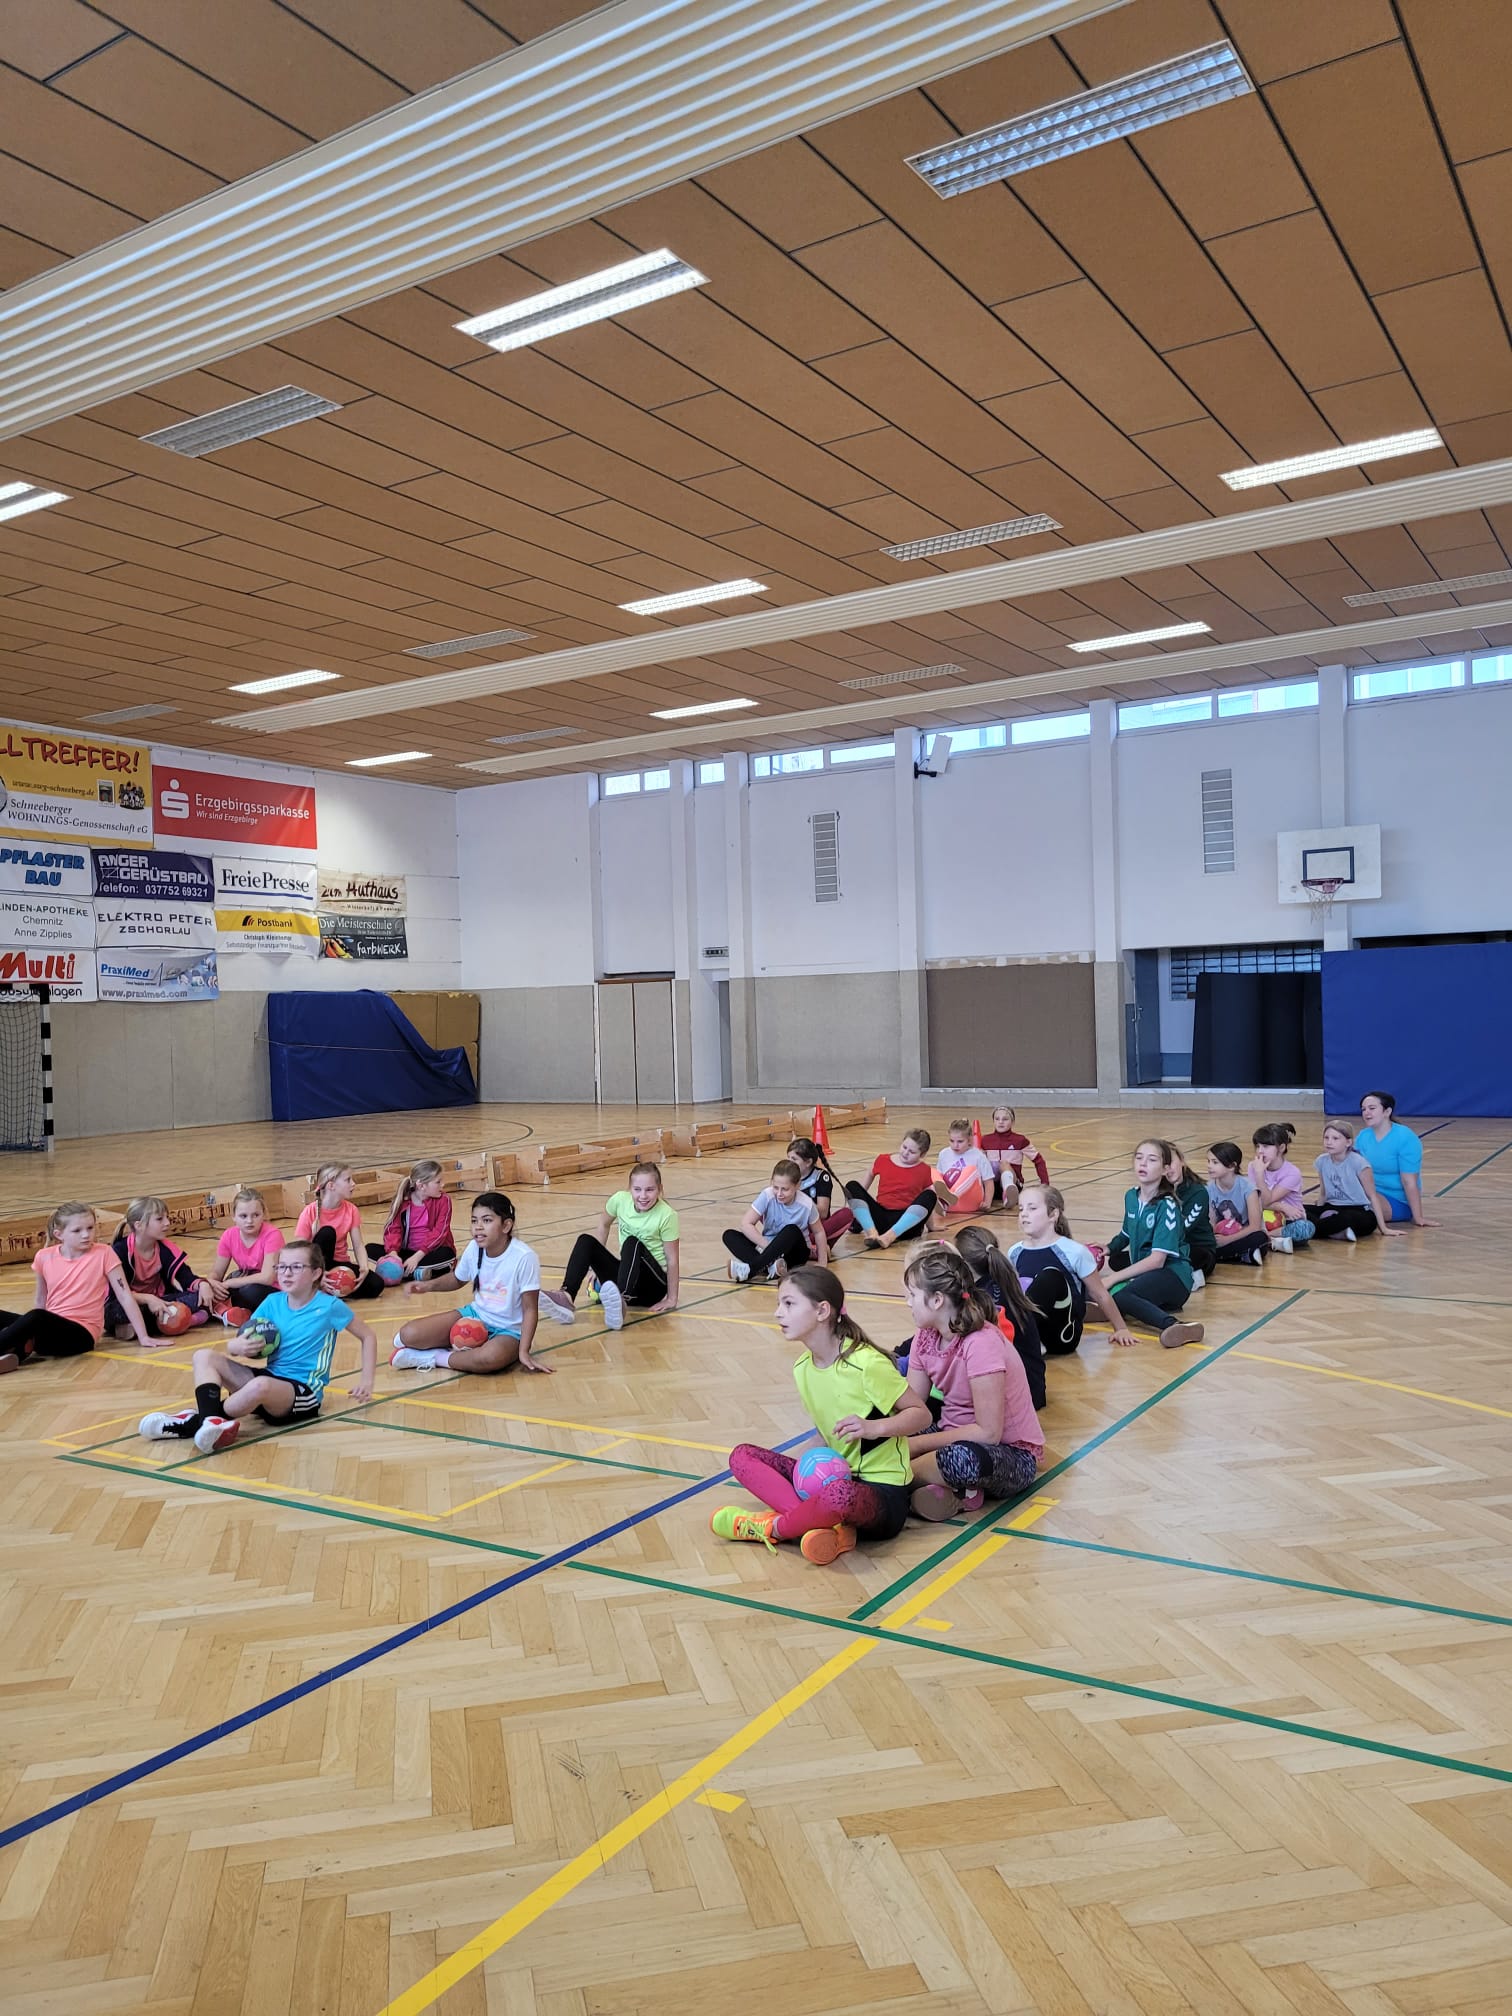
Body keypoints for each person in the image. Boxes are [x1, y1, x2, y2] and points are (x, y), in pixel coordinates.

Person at [710, 1263, 929, 1565]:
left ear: (822, 1310)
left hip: (881, 1493)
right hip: (828, 1480)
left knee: (839, 1495)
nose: (778, 1313)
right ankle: (824, 1528)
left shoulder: (866, 1363)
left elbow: (921, 1415)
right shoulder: (802, 1368)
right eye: (779, 1304)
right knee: (742, 1456)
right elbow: (825, 1431)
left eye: (789, 1304)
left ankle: (774, 1528)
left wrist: (872, 1428)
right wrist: (803, 1469)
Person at [138, 1239, 376, 1454]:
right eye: (281, 1266)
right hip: (268, 1379)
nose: (286, 1273)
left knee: (260, 1385)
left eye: (296, 1267)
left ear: (316, 1273)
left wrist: (366, 1381)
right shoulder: (273, 1301)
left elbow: (368, 1336)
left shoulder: (329, 1306)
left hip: (302, 1393)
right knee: (204, 1356)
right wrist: (238, 1346)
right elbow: (241, 1339)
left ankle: (191, 1422)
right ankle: (210, 1421)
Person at [901, 1244, 1043, 1521]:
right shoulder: (925, 1336)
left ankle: (896, 1479)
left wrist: (914, 1447)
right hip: (952, 1434)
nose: (908, 1303)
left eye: (913, 1295)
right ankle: (955, 1493)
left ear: (937, 1300)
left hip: (1007, 1453)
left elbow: (988, 1434)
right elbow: (912, 1408)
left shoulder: (981, 1342)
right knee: (884, 1440)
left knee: (962, 1459)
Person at [389, 1191, 555, 1375]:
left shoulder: (524, 1257)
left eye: (487, 1220)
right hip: (475, 1316)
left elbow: (530, 1309)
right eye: (474, 1221)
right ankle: (454, 1351)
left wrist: (524, 1351)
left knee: (490, 1358)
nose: (478, 1227)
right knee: (408, 1334)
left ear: (506, 1225)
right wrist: (428, 1286)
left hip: (509, 1331)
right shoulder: (474, 1247)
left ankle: (434, 1357)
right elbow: (457, 1279)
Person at [0, 1201, 151, 1372]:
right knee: (25, 1317)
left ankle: (16, 1348)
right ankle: (16, 1351)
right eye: (77, 1231)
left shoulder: (104, 1253)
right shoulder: (44, 1256)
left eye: (90, 1228)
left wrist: (143, 1337)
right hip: (52, 1329)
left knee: (36, 1317)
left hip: (81, 1336)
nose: (86, 1235)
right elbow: (41, 1299)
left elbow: (124, 1296)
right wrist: (32, 1331)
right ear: (59, 1234)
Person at [541, 1161, 679, 1329]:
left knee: (631, 1242)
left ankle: (620, 1300)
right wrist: (595, 1267)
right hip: (628, 1277)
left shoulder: (667, 1215)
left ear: (660, 1189)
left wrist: (671, 1298)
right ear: (629, 1189)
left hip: (652, 1287)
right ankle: (567, 1297)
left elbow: (672, 1259)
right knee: (585, 1240)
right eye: (637, 1189)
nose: (643, 1196)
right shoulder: (619, 1200)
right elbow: (603, 1224)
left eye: (650, 1190)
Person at [1100, 1140, 1204, 1348]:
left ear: (1165, 1169)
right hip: (1147, 1275)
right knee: (1094, 1286)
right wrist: (1109, 1248)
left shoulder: (1167, 1206)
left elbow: (1157, 1261)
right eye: (1139, 1158)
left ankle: (1176, 1326)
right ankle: (1102, 1306)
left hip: (1174, 1277)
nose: (1143, 1163)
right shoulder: (1131, 1196)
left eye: (1152, 1159)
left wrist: (1112, 1278)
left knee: (1122, 1294)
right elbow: (1126, 1232)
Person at [1009, 1184, 1133, 1352]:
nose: (1024, 1214)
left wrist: (1121, 1329)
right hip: (1029, 1329)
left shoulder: (1074, 1251)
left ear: (1053, 1214)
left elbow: (1099, 1293)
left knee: (1050, 1277)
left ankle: (1025, 1340)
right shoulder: (1015, 1252)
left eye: (1032, 1208)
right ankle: (1018, 1339)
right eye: (1021, 1209)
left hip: (1063, 1334)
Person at [955, 1223, 1046, 1409]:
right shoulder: (999, 1283)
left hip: (1019, 1395)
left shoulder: (985, 1299)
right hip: (1030, 1387)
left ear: (963, 1264)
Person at [107, 1195, 221, 1338]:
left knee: (204, 1295)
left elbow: (186, 1277)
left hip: (161, 1301)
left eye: (167, 1217)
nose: (167, 1223)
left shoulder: (165, 1248)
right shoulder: (120, 1251)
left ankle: (161, 1324)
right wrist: (148, 1299)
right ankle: (181, 1320)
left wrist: (203, 1285)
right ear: (139, 1225)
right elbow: (119, 1294)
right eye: (159, 1219)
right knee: (120, 1311)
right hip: (129, 1303)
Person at [723, 1159, 828, 1282]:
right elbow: (746, 1224)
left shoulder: (807, 1204)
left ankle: (750, 1270)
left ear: (797, 1185)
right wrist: (769, 1248)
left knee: (791, 1230)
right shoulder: (767, 1195)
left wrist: (822, 1262)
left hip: (794, 1253)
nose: (779, 1193)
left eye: (785, 1189)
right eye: (776, 1187)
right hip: (768, 1246)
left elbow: (819, 1232)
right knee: (729, 1235)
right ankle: (773, 1267)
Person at [295, 1163, 384, 1298]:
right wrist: (314, 1273)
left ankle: (331, 1288)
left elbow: (358, 1245)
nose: (353, 1183)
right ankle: (317, 1282)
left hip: (339, 1264)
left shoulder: (351, 1210)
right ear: (331, 1186)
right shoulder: (309, 1212)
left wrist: (364, 1267)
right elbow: (298, 1250)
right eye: (348, 1180)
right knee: (327, 1233)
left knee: (376, 1284)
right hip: (314, 1266)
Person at [843, 1128, 940, 1249]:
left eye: (912, 1152)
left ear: (922, 1154)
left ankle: (889, 1237)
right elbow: (863, 1187)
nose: (905, 1153)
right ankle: (872, 1233)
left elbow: (925, 1204)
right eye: (904, 1147)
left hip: (906, 1226)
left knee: (930, 1194)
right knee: (852, 1186)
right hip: (881, 1219)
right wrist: (854, 1210)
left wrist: (931, 1226)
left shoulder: (924, 1169)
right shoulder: (883, 1160)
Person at [1306, 1120, 1400, 1241]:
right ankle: (1335, 1232)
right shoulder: (1321, 1161)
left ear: (1348, 1142)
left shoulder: (1359, 1162)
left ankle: (1309, 1230)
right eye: (1326, 1138)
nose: (1329, 1142)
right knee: (1298, 1209)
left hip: (1358, 1211)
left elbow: (1372, 1197)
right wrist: (1318, 1211)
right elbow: (1323, 1194)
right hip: (1332, 1207)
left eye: (1335, 1138)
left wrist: (1384, 1228)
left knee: (1346, 1218)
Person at [1356, 1092, 1436, 1228]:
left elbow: (1409, 1181)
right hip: (1370, 1192)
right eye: (1363, 1109)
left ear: (1387, 1112)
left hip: (1396, 1200)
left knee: (1363, 1207)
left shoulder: (1405, 1137)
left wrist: (1418, 1217)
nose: (1366, 1113)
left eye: (1372, 1108)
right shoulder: (1363, 1136)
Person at [369, 1159, 456, 1279]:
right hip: (407, 1252)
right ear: (421, 1186)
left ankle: (401, 1271)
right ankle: (417, 1272)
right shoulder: (402, 1201)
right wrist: (393, 1253)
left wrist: (417, 1257)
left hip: (429, 1252)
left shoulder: (444, 1200)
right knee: (369, 1249)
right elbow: (393, 1229)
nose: (443, 1185)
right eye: (438, 1182)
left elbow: (439, 1233)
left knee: (447, 1253)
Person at [210, 1187, 285, 1316]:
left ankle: (225, 1310)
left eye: (255, 1215)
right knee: (209, 1292)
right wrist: (212, 1284)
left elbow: (267, 1277)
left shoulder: (273, 1235)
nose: (249, 1221)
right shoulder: (229, 1235)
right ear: (234, 1216)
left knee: (250, 1292)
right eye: (243, 1216)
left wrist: (231, 1283)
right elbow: (217, 1272)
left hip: (273, 1289)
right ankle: (228, 1311)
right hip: (245, 1282)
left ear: (263, 1214)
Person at [1249, 1124, 1317, 1254]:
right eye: (1257, 1146)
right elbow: (1256, 1201)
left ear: (1281, 1148)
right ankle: (1273, 1241)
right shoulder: (1254, 1166)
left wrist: (1259, 1175)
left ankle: (1265, 1238)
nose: (1260, 1151)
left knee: (1305, 1228)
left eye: (1266, 1146)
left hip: (1288, 1221)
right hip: (1261, 1217)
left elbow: (1265, 1201)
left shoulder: (1292, 1172)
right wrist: (1282, 1206)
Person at [1204, 1143, 1271, 1265]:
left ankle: (1219, 1256)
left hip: (1245, 1235)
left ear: (1231, 1166)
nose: (1209, 1166)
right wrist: (1212, 1238)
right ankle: (1244, 1255)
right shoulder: (1208, 1189)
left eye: (1215, 1162)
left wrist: (1227, 1240)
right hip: (1221, 1235)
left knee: (1260, 1238)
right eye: (1208, 1161)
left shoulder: (1248, 1188)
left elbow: (1255, 1226)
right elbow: (1211, 1223)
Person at [1163, 1143, 1216, 1282]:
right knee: (1118, 1259)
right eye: (1162, 1165)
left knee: (1200, 1256)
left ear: (1181, 1160)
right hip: (1166, 1249)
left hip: (1196, 1248)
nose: (1168, 1169)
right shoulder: (1156, 1192)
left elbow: (1183, 1229)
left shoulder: (1198, 1192)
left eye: (1170, 1162)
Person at [787, 1136, 854, 1246]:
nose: (789, 1162)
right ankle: (811, 1246)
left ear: (808, 1162)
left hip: (816, 1225)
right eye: (788, 1158)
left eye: (794, 1159)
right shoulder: (787, 1175)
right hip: (792, 1224)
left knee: (846, 1214)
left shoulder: (821, 1177)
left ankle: (806, 1244)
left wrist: (799, 1199)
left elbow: (823, 1213)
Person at [981, 1106, 1049, 1208]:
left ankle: (1008, 1194)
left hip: (1014, 1183)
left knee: (1003, 1163)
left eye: (1005, 1119)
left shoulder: (1020, 1140)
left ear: (1012, 1122)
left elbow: (1038, 1161)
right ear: (993, 1121)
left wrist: (1045, 1184)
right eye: (997, 1119)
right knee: (988, 1165)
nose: (1000, 1122)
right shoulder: (985, 1140)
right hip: (990, 1186)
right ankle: (986, 1198)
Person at [931, 1119, 996, 1217]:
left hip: (969, 1202)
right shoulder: (944, 1153)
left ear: (969, 1140)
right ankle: (942, 1201)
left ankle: (951, 1197)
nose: (955, 1145)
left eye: (960, 1141)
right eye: (951, 1141)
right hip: (951, 1206)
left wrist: (987, 1202)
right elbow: (940, 1179)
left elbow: (988, 1182)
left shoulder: (978, 1155)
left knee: (971, 1170)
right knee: (931, 1171)